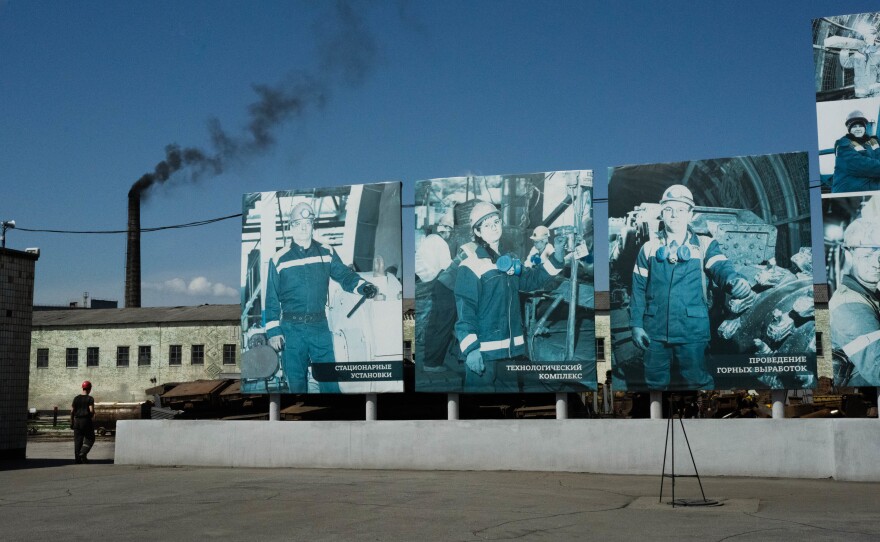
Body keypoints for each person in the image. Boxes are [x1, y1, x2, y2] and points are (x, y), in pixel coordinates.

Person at [629, 185, 751, 390]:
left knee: (697, 382)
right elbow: (638, 288)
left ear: (690, 214)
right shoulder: (649, 248)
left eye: (681, 210)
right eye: (668, 209)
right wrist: (636, 325)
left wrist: (735, 281)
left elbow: (721, 267)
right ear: (662, 212)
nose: (674, 215)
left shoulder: (704, 245)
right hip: (655, 331)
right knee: (655, 383)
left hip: (691, 331)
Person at [265, 202, 378, 393]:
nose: (303, 228)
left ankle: (333, 417)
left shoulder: (327, 252)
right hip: (292, 330)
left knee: (329, 378)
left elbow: (345, 275)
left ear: (312, 225)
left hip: (319, 327)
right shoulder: (279, 259)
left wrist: (362, 286)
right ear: (291, 227)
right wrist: (273, 331)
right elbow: (271, 297)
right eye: (298, 223)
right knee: (296, 381)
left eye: (307, 223)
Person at [454, 201, 565, 392]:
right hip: (484, 352)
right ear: (477, 232)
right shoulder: (471, 265)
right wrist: (471, 350)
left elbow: (530, 280)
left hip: (510, 352)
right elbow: (466, 310)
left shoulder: (509, 260)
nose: (494, 227)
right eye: (487, 225)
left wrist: (558, 258)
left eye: (496, 222)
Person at [829, 217, 880, 387]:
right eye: (867, 256)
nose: (876, 264)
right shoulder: (848, 305)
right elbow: (877, 371)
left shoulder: (871, 295)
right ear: (848, 255)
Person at [415, 214, 455, 372]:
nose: (450, 235)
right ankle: (433, 364)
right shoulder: (441, 243)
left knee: (434, 323)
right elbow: (447, 267)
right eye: (449, 232)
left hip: (428, 282)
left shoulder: (429, 239)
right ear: (445, 231)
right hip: (438, 284)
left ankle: (429, 361)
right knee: (443, 323)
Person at [832, 110, 880, 193]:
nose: (858, 129)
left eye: (860, 126)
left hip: (868, 184)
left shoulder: (873, 142)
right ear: (849, 129)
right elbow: (862, 165)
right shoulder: (843, 144)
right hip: (849, 190)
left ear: (865, 128)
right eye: (854, 127)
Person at [838, 27, 880, 98]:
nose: (868, 37)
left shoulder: (878, 51)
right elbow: (846, 63)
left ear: (875, 36)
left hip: (876, 91)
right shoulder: (858, 52)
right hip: (861, 91)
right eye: (866, 35)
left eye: (871, 34)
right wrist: (844, 51)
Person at [71, 380, 95, 464]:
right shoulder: (90, 398)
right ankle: (83, 452)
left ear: (83, 388)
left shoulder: (76, 398)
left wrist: (72, 422)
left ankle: (78, 460)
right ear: (89, 388)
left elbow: (72, 411)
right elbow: (91, 410)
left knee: (78, 440)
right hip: (86, 420)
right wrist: (92, 415)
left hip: (77, 421)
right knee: (90, 438)